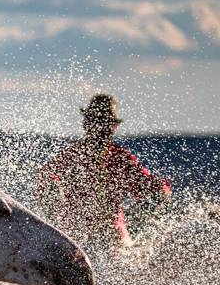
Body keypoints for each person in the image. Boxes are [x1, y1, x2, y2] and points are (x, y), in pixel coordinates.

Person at [35, 94, 171, 258]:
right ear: (87, 124)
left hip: (102, 240)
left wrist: (161, 190)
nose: (101, 129)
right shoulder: (76, 156)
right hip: (83, 239)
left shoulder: (118, 158)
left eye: (104, 124)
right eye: (98, 123)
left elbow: (149, 188)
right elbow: (44, 182)